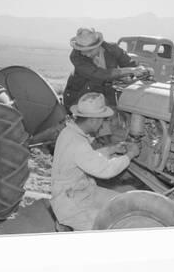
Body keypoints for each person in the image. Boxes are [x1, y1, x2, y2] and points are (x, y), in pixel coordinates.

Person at [50, 92, 141, 231]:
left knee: (122, 203)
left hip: (79, 191)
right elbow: (105, 170)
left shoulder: (69, 132)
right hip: (70, 201)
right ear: (93, 120)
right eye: (102, 120)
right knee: (109, 226)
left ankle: (65, 226)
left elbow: (87, 158)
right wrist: (130, 155)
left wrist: (111, 150)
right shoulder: (77, 143)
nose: (103, 124)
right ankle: (67, 224)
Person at [63, 27, 147, 110]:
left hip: (107, 94)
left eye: (90, 51)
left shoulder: (112, 49)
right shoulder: (76, 57)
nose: (87, 54)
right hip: (81, 96)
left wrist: (142, 70)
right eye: (83, 51)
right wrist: (129, 71)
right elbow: (99, 74)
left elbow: (130, 64)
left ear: (98, 45)